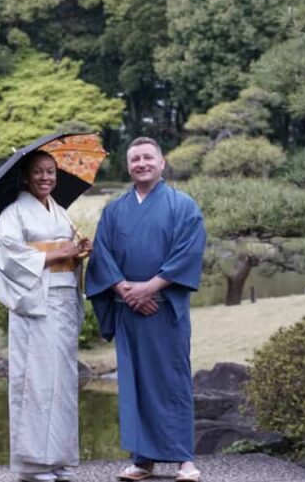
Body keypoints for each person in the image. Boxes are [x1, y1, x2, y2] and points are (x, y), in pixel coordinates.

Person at [85, 137, 206, 482]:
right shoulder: (114, 210)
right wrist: (124, 289)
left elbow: (188, 252)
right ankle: (143, 460)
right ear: (128, 166)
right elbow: (102, 254)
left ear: (162, 162)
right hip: (129, 310)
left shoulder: (183, 206)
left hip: (164, 309)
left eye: (147, 157)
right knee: (134, 383)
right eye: (135, 159)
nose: (141, 163)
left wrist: (151, 287)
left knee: (173, 381)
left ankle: (185, 460)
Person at [0, 150, 91, 482]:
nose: (46, 177)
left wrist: (77, 252)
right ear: (25, 176)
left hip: (62, 301)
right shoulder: (13, 213)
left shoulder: (60, 212)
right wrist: (57, 252)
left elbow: (67, 250)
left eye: (51, 172)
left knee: (62, 382)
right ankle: (32, 464)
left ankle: (58, 458)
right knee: (34, 381)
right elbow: (6, 255)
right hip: (34, 304)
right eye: (38, 172)